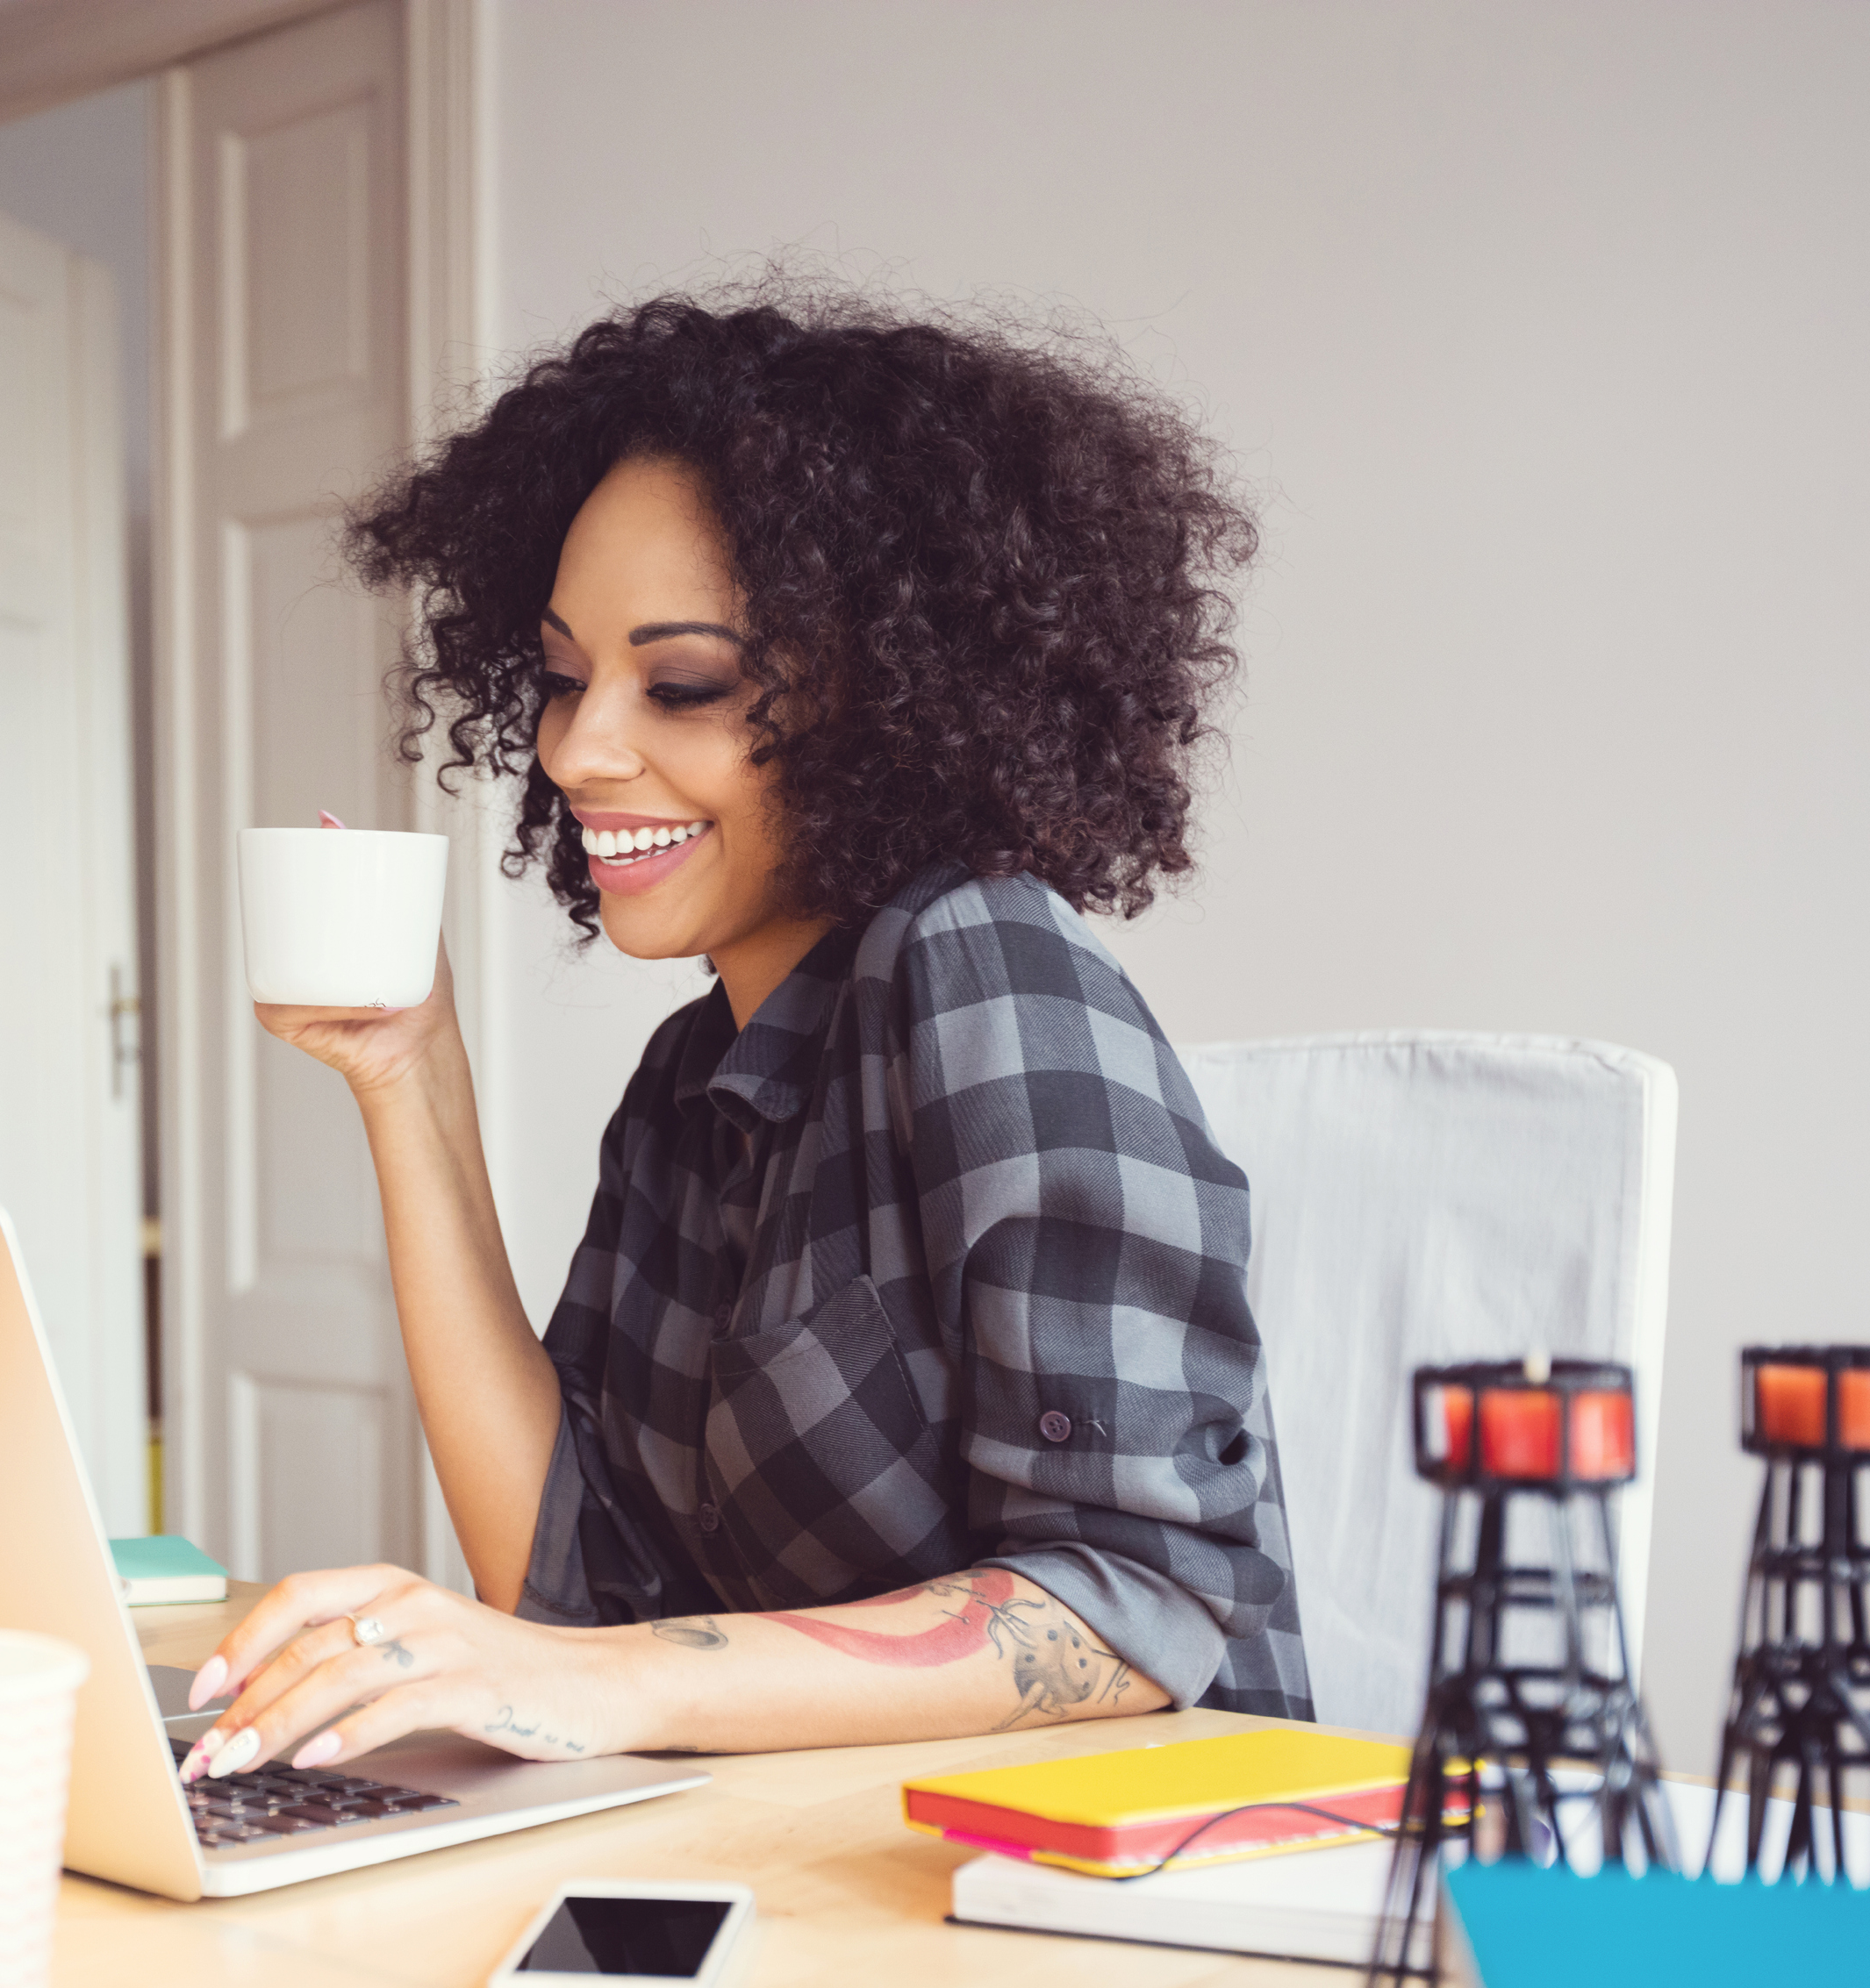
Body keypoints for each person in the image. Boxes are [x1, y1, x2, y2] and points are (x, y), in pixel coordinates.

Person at [176, 290, 1310, 1788]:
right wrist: (409, 1075)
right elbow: (567, 1581)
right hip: (793, 1865)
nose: (577, 749)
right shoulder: (686, 1086)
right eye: (568, 676)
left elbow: (1134, 1605)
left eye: (684, 683)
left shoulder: (982, 963)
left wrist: (609, 1681)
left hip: (1108, 1897)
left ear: (891, 704)